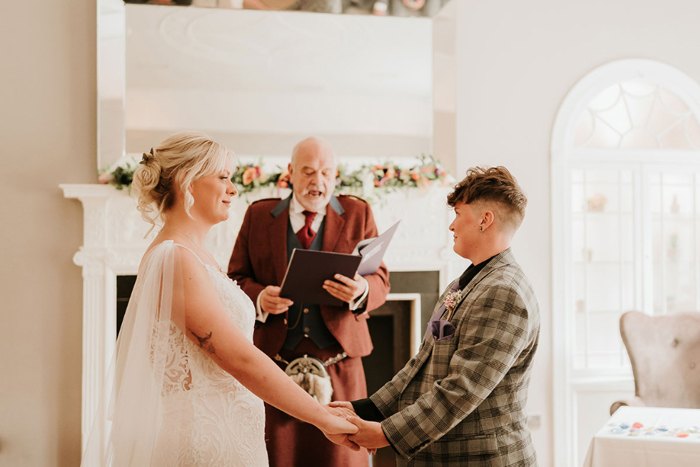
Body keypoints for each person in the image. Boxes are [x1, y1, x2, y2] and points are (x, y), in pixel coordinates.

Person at [81, 132, 358, 466]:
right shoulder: (175, 258)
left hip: (227, 431)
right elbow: (239, 358)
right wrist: (321, 417)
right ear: (188, 184)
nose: (233, 189)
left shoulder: (196, 255)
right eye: (223, 177)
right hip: (201, 438)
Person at [331, 166, 540, 466]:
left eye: (457, 213)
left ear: (485, 219)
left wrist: (386, 434)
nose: (451, 226)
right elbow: (421, 365)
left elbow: (461, 390)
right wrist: (367, 410)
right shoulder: (463, 283)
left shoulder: (505, 292)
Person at [228, 137, 390, 467]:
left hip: (340, 364)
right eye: (309, 172)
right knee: (277, 458)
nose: (319, 182)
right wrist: (259, 297)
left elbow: (381, 281)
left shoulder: (359, 212)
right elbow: (235, 279)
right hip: (274, 367)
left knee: (344, 458)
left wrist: (360, 290)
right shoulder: (258, 215)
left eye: (327, 173)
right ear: (290, 172)